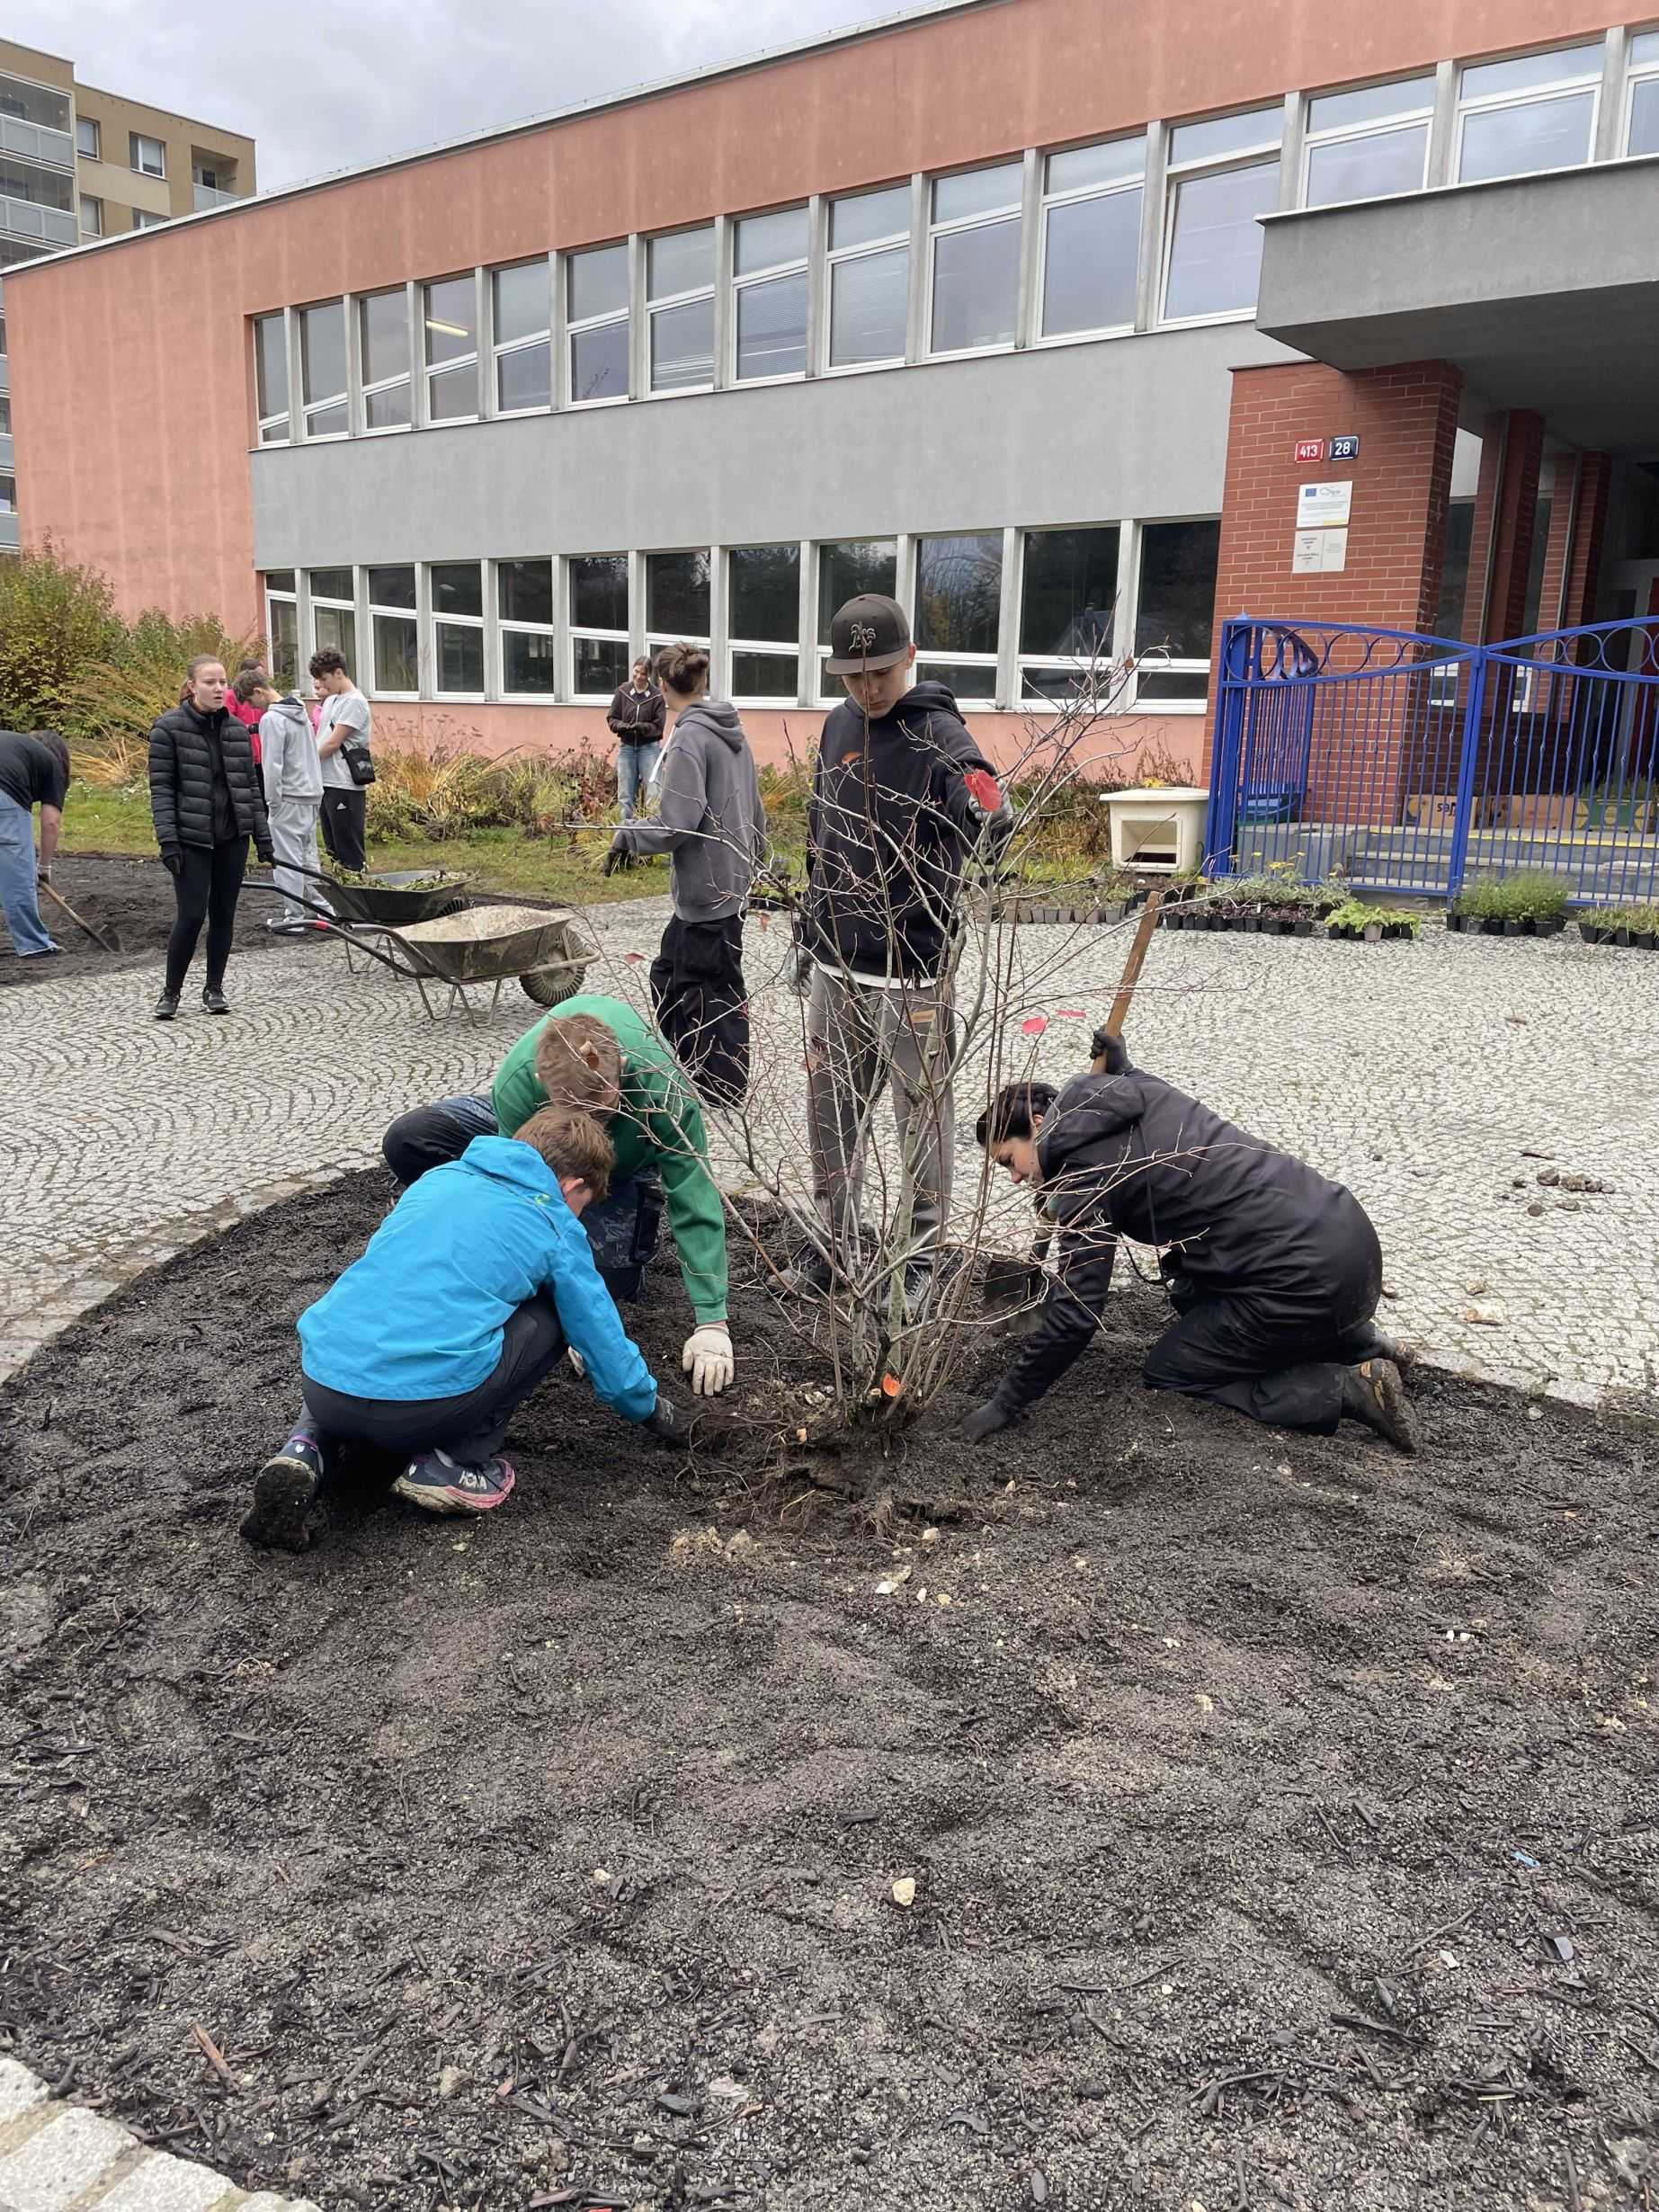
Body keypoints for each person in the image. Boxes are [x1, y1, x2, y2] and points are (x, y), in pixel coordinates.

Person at [242, 1107, 686, 1550]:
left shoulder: (437, 1181)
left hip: (323, 1384)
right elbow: (599, 1335)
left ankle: (304, 1449)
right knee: (557, 1312)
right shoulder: (553, 1223)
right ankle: (451, 1462)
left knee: (371, 1316)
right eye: (582, 1206)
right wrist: (652, 1410)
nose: (577, 1216)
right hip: (420, 1413)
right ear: (572, 1186)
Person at [963, 1044, 1418, 1451]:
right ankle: (1363, 1341)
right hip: (1348, 1238)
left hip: (1306, 1283)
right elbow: (1130, 1083)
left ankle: (1345, 1388)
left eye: (1009, 1161)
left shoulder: (1085, 1179)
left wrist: (1007, 1401)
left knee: (1172, 1369)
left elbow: (1078, 1313)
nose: (1016, 1178)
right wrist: (1121, 1063)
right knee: (1187, 1292)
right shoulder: (1131, 1090)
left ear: (1038, 1124)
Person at [792, 592, 1012, 1299]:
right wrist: (808, 925)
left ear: (909, 657)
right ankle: (832, 1242)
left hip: (910, 974)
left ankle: (916, 1263)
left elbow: (983, 798)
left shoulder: (938, 735)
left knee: (920, 1126)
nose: (869, 688)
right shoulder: (836, 726)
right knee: (830, 1119)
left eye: (881, 672)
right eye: (855, 676)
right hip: (834, 964)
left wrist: (985, 803)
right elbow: (820, 832)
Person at [382, 995, 737, 1397]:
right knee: (408, 1139)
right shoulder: (518, 1083)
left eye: (601, 1111)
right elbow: (516, 1184)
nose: (591, 1126)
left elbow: (693, 1191)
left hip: (625, 1161)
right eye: (576, 1110)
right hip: (544, 1144)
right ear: (541, 1082)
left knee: (612, 1281)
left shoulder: (664, 1091)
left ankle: (631, 1216)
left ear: (622, 1068)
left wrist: (712, 1321)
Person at [603, 643, 765, 1106]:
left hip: (706, 890)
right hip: (728, 884)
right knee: (675, 976)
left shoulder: (692, 736)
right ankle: (704, 1076)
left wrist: (626, 835)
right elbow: (756, 808)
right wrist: (755, 862)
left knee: (705, 991)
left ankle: (719, 1088)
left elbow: (676, 823)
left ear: (661, 684)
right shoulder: (731, 729)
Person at [147, 656, 274, 1020]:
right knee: (190, 915)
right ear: (192, 687)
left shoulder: (236, 729)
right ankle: (171, 993)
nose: (219, 688)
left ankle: (214, 988)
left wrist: (262, 838)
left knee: (224, 915)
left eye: (222, 682)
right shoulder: (167, 729)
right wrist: (168, 840)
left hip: (233, 837)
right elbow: (162, 791)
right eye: (210, 682)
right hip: (192, 838)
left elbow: (250, 787)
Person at [256, 671, 328, 934]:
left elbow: (272, 765)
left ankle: (294, 917)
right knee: (309, 858)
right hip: (310, 794)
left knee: (286, 860)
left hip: (288, 797)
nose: (254, 708)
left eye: (252, 703)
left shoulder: (272, 719)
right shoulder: (301, 713)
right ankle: (325, 910)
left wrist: (271, 802)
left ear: (258, 692)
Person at [0, 727, 70, 959]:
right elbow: (50, 823)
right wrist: (42, 867)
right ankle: (34, 944)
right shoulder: (51, 765)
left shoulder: (17, 747)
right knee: (18, 872)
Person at [311, 647, 371, 873]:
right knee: (333, 850)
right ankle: (342, 903)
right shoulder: (331, 700)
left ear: (338, 673)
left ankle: (359, 903)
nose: (322, 685)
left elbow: (333, 743)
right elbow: (320, 738)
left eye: (325, 679)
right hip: (327, 780)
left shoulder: (355, 702)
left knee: (349, 852)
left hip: (345, 783)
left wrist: (306, 762)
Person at [606, 656, 665, 823]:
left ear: (649, 675)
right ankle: (625, 833)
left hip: (649, 749)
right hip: (627, 748)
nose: (639, 676)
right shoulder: (623, 692)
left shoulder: (656, 696)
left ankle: (653, 831)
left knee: (653, 792)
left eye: (644, 673)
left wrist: (643, 727)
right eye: (637, 672)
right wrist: (623, 726)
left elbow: (658, 726)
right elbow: (612, 718)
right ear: (632, 670)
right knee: (625, 793)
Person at [226, 660, 267, 767]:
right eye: (258, 676)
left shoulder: (261, 696)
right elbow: (228, 725)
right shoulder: (231, 696)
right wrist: (250, 728)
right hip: (244, 755)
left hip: (263, 755)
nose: (261, 680)